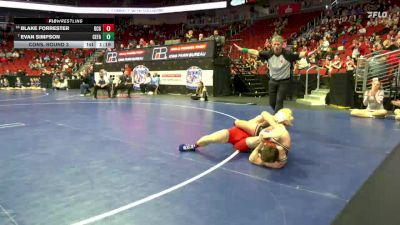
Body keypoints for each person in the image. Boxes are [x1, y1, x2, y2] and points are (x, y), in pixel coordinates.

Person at [179, 108, 293, 169]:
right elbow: (265, 114)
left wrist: (261, 143)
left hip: (246, 142)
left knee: (254, 136)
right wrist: (272, 128)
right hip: (242, 132)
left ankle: (242, 126)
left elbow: (252, 159)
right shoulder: (280, 132)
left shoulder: (278, 162)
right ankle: (195, 145)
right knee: (210, 138)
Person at [233, 35, 316, 113]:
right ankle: (280, 114)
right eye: (274, 44)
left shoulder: (288, 54)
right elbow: (255, 52)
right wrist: (242, 49)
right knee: (272, 103)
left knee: (279, 100)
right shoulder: (268, 54)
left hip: (284, 81)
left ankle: (276, 120)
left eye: (278, 44)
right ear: (272, 45)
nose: (276, 46)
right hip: (273, 81)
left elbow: (300, 54)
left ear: (282, 45)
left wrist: (310, 52)